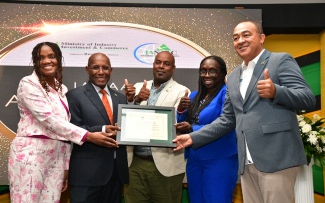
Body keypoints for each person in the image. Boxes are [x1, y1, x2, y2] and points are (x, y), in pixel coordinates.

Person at [173, 21, 316, 203]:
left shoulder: (280, 60)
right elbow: (227, 120)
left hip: (276, 159)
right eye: (236, 38)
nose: (240, 40)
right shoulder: (233, 77)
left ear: (262, 38)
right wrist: (194, 137)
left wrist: (276, 92)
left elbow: (307, 97)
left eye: (246, 35)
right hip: (246, 162)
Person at [8, 42, 117, 203]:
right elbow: (49, 120)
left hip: (56, 159)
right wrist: (88, 136)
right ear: (35, 62)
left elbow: (65, 130)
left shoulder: (61, 89)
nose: (47, 61)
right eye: (41, 58)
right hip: (31, 157)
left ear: (58, 59)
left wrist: (66, 166)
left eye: (51, 56)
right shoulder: (28, 84)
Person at [123, 51, 189, 203]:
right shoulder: (138, 87)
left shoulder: (182, 91)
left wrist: (180, 110)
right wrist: (135, 100)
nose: (161, 66)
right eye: (158, 62)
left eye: (166, 64)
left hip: (166, 164)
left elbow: (179, 123)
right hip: (136, 163)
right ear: (153, 65)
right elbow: (125, 120)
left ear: (173, 68)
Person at [66, 53, 129, 203]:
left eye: (105, 68)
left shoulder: (120, 97)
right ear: (87, 69)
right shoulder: (74, 95)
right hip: (86, 176)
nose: (101, 72)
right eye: (95, 67)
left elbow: (125, 128)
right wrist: (100, 129)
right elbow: (72, 129)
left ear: (111, 70)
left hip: (115, 174)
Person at [175, 55, 238, 203]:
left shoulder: (227, 93)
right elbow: (182, 126)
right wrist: (180, 110)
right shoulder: (194, 95)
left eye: (212, 71)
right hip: (194, 160)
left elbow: (226, 122)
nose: (207, 75)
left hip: (219, 158)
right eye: (203, 71)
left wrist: (193, 128)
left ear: (222, 73)